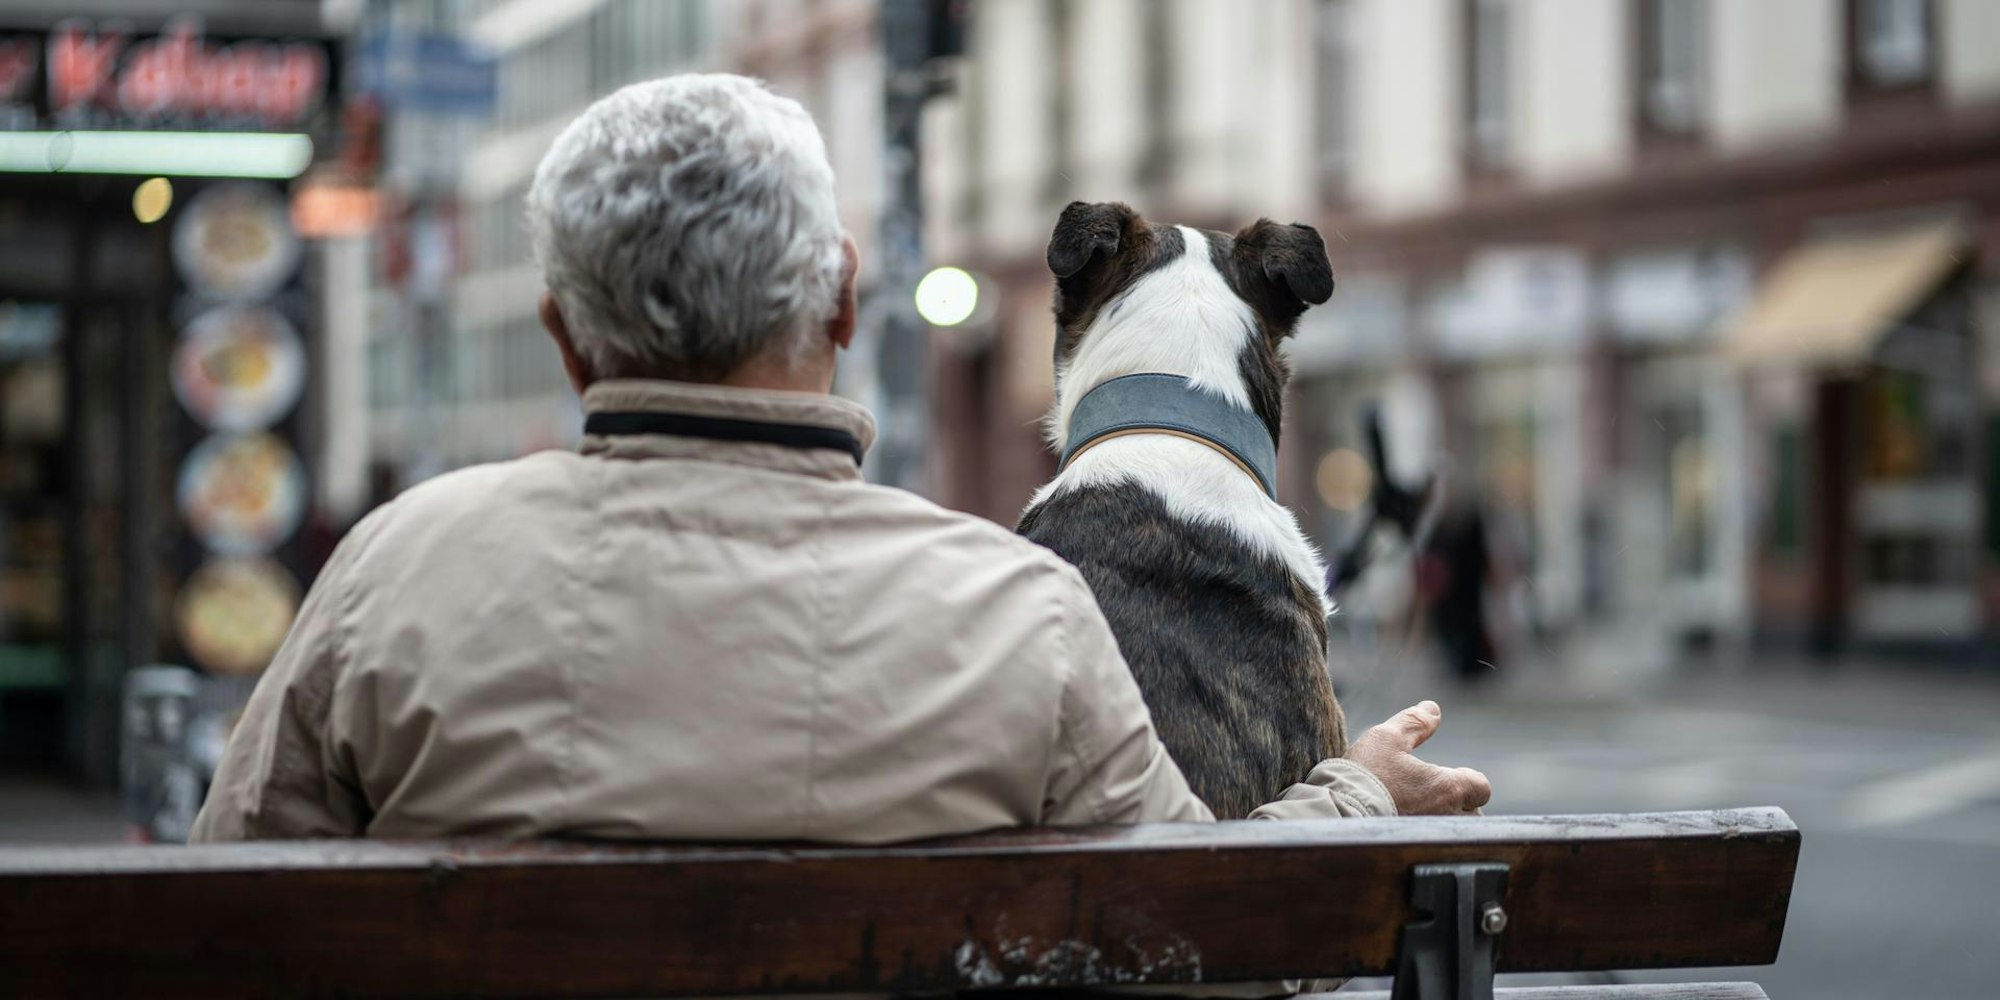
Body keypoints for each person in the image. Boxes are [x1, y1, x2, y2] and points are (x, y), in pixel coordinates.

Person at [190, 74, 1489, 846]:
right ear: (843, 304)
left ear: (566, 339)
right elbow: (1194, 925)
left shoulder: (391, 575)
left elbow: (227, 903)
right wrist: (1355, 796)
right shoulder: (1019, 613)